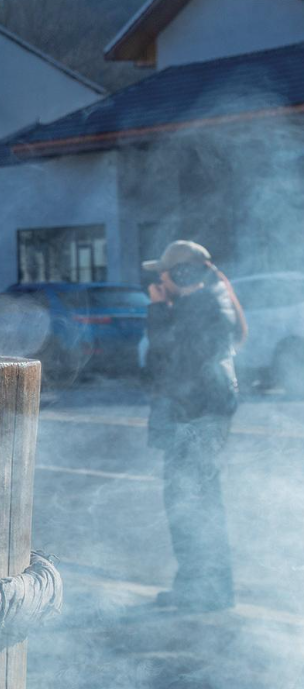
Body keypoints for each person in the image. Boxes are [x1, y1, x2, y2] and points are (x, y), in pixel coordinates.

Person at [142, 239, 246, 613]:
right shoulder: (199, 305)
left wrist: (157, 310)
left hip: (195, 418)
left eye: (164, 274)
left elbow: (167, 363)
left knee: (193, 504)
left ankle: (206, 590)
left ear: (180, 273)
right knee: (192, 502)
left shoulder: (199, 308)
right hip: (197, 415)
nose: (159, 281)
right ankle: (198, 586)